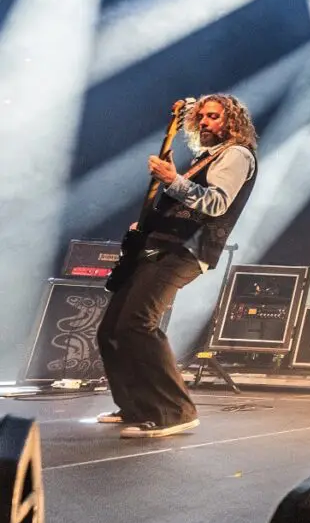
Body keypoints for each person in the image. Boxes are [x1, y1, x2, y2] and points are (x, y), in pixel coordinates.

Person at [97, 95, 258, 439]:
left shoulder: (237, 155)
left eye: (213, 116)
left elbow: (215, 203)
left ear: (233, 121)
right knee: (111, 331)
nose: (204, 122)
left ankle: (175, 411)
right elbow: (181, 204)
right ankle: (135, 406)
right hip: (160, 246)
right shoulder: (204, 158)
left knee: (139, 323)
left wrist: (172, 179)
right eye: (200, 117)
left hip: (187, 250)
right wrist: (147, 224)